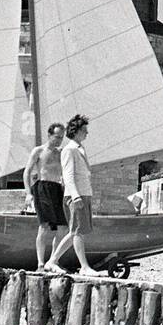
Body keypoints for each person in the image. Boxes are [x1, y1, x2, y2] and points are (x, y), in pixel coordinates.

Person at [46, 115, 104, 276]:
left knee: (75, 232)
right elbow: (68, 175)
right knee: (78, 231)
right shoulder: (69, 149)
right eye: (84, 130)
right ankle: (84, 267)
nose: (87, 133)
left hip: (83, 194)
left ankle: (52, 261)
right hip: (76, 195)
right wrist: (76, 196)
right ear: (76, 131)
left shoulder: (79, 148)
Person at [23, 121, 67, 270]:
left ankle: (53, 261)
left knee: (63, 227)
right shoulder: (39, 151)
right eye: (57, 137)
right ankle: (40, 263)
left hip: (57, 188)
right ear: (49, 135)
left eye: (61, 137)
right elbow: (27, 172)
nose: (59, 140)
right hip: (43, 187)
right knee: (44, 226)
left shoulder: (61, 153)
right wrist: (28, 193)